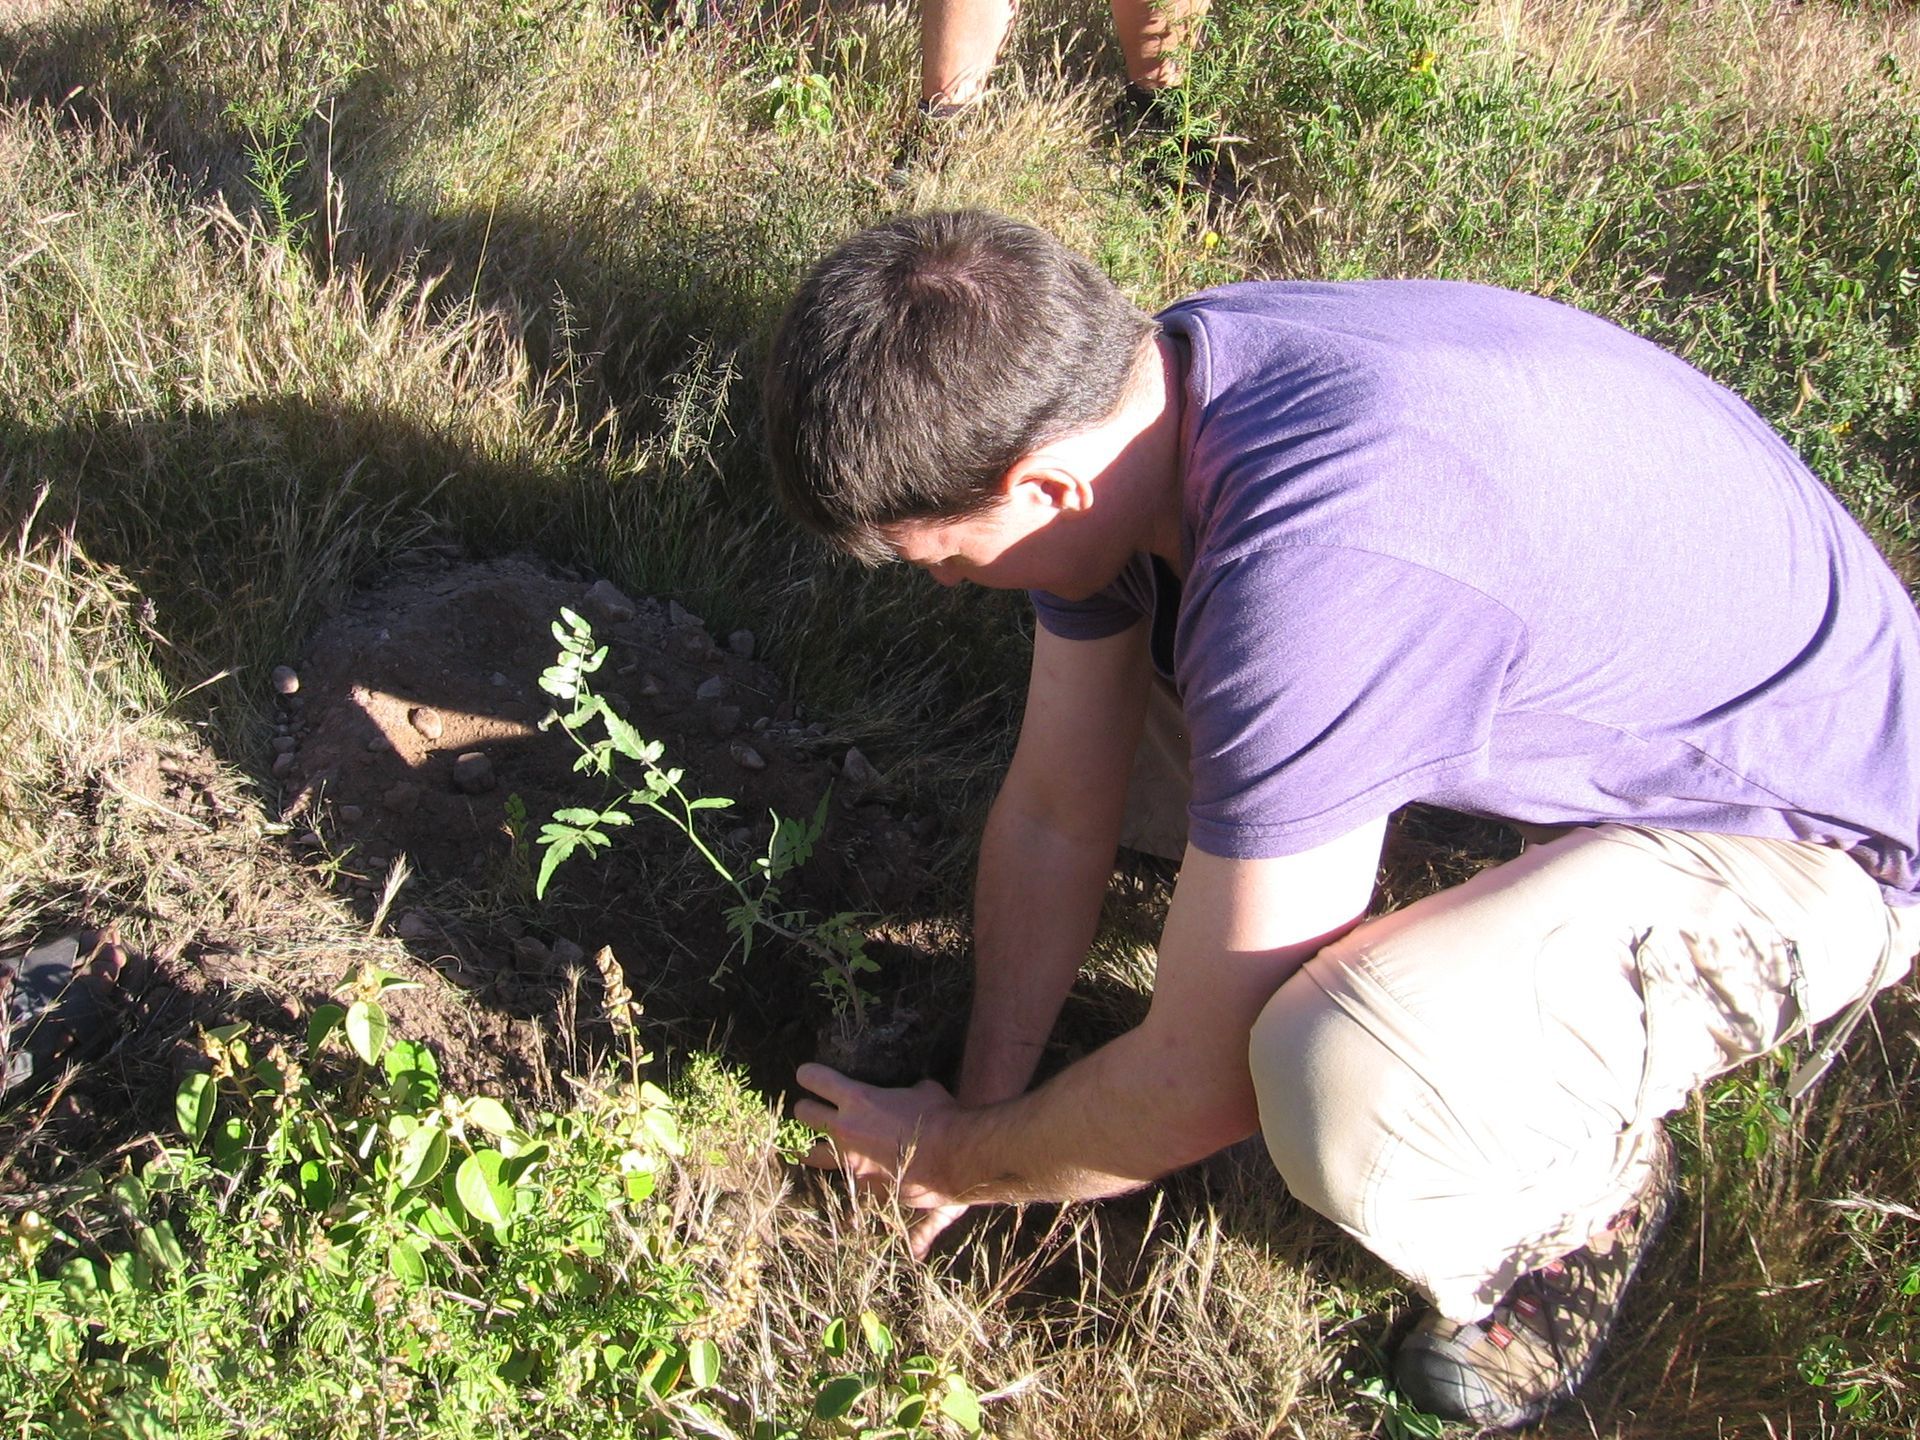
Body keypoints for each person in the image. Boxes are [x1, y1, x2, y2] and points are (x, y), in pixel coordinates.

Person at [759, 209, 1920, 1428]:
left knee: (1337, 1064)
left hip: (1825, 833)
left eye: (944, 558)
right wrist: (987, 1099)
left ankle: (1579, 1210)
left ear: (1045, 482)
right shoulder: (1152, 391)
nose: (947, 588)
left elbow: (1198, 1082)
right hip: (1607, 651)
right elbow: (1057, 807)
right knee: (1166, 684)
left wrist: (950, 1161)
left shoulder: (1317, 572)